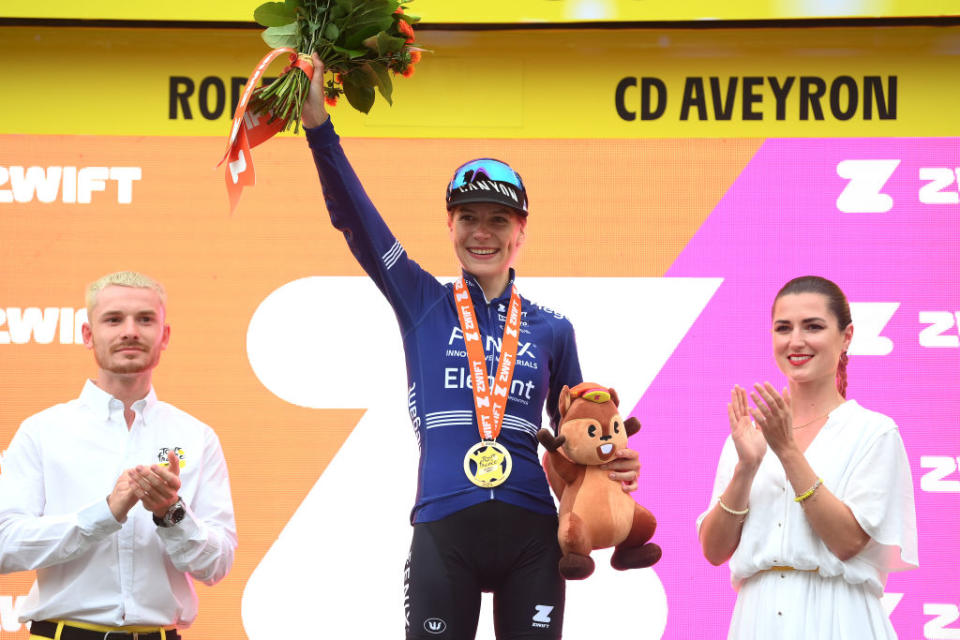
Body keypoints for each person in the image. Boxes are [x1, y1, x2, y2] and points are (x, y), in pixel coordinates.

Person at [301, 54, 642, 639]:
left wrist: (612, 465)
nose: (482, 233)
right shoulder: (421, 300)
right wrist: (318, 130)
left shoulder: (552, 329)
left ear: (520, 231)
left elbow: (578, 439)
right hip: (443, 530)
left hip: (531, 536)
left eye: (498, 221)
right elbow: (356, 222)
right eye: (469, 218)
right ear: (450, 224)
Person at [0, 271, 237, 640]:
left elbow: (217, 565)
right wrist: (105, 513)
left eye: (145, 319)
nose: (130, 331)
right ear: (88, 336)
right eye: (113, 319)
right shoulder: (42, 431)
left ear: (165, 335)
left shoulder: (196, 437)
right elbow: (4, 546)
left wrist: (171, 514)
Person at [697, 275, 918, 639]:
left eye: (813, 326)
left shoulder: (873, 432)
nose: (796, 341)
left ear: (846, 337)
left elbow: (847, 541)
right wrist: (746, 468)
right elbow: (715, 550)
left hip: (841, 617)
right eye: (783, 328)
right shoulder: (748, 438)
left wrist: (786, 451)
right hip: (758, 619)